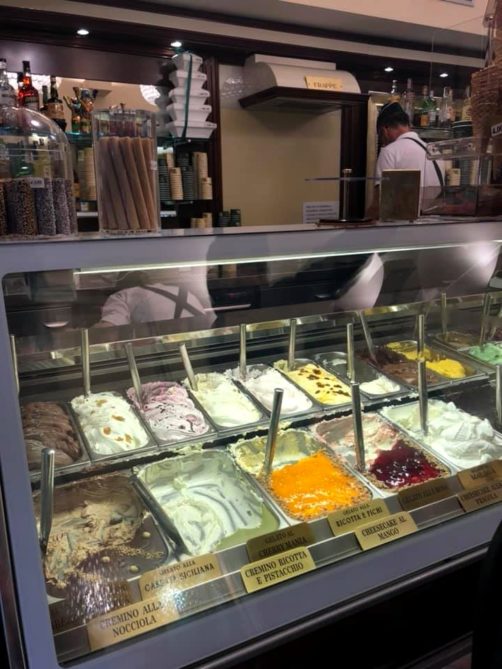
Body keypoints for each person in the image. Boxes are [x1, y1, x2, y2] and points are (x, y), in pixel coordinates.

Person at [367, 101, 444, 218]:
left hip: (404, 226)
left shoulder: (390, 152)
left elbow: (379, 205)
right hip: (435, 224)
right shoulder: (435, 152)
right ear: (408, 125)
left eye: (381, 138)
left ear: (384, 131)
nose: (383, 143)